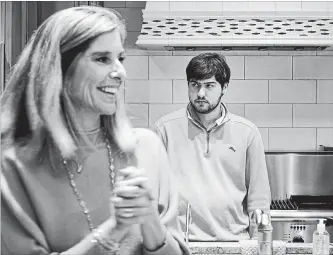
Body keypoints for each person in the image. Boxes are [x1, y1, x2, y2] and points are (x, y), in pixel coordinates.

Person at [1, 6, 191, 255]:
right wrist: (115, 229)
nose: (120, 73)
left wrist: (149, 220)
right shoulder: (13, 165)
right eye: (102, 59)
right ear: (59, 69)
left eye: (120, 59)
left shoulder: (147, 148)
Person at [152, 53, 271, 241]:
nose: (200, 93)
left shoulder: (247, 132)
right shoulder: (164, 129)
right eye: (195, 85)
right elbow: (152, 194)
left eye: (209, 85)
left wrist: (258, 244)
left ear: (224, 87)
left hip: (235, 243)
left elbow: (259, 199)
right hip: (181, 243)